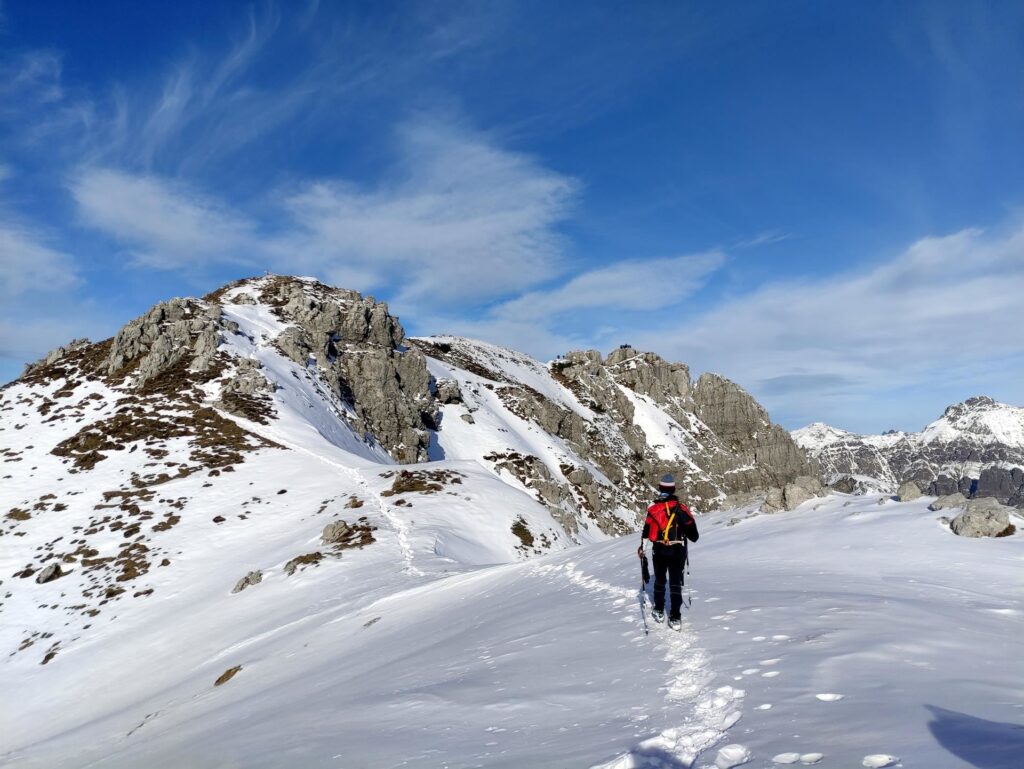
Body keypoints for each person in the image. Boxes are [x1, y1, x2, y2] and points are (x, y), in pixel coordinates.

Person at [637, 474, 699, 630]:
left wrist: (642, 549)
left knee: (659, 580)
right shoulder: (681, 509)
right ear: (673, 489)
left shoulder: (653, 509)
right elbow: (694, 536)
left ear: (660, 488)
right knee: (675, 583)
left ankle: (658, 609)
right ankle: (675, 616)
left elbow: (646, 531)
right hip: (677, 549)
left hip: (659, 549)